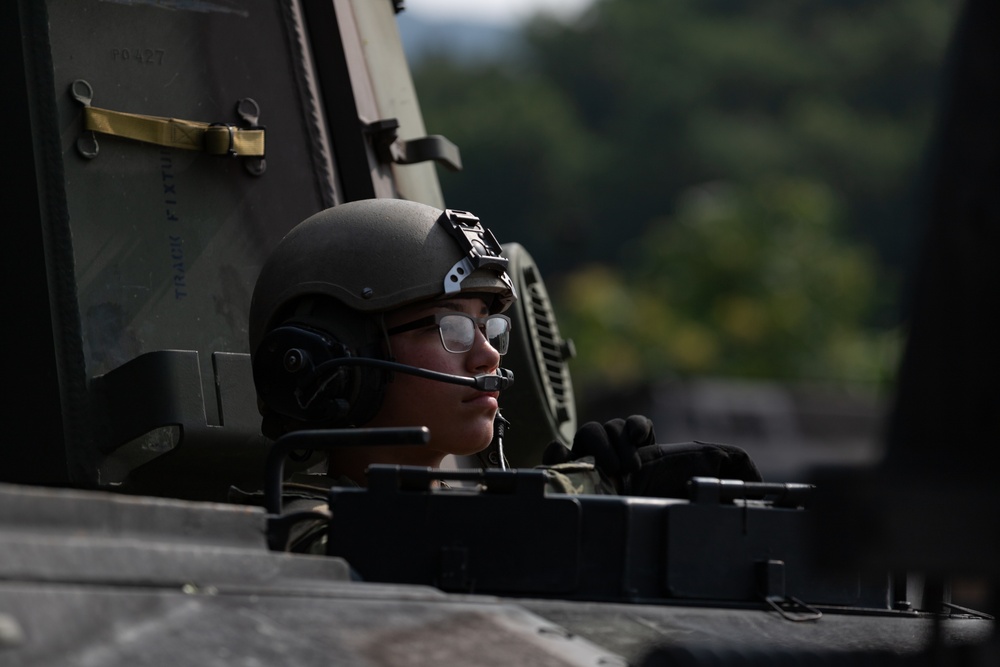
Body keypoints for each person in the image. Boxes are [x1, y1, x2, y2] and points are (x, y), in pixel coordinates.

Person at [248, 197, 761, 501]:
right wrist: (582, 489)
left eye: (490, 328)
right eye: (450, 328)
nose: (488, 356)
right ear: (331, 360)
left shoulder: (457, 515)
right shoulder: (288, 538)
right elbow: (398, 548)